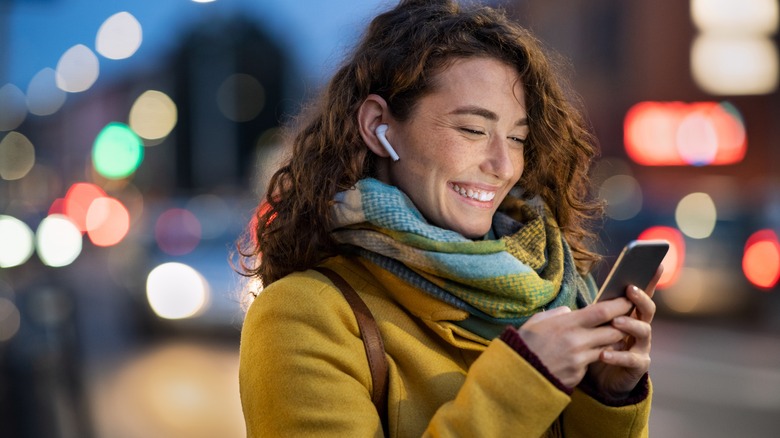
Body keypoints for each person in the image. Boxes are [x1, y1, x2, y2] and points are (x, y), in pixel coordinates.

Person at [238, 0, 660, 436]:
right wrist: (525, 381)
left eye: (517, 138)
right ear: (378, 126)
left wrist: (605, 396)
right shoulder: (302, 315)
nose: (502, 165)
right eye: (473, 130)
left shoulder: (562, 288)